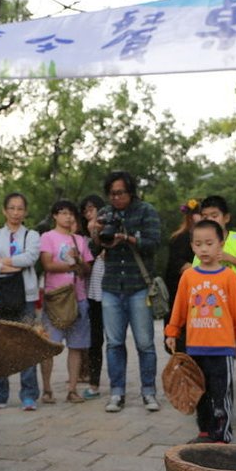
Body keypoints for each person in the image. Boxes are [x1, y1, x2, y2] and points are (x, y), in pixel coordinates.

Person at [165, 219, 236, 443]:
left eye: (209, 243)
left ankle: (222, 435)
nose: (204, 249)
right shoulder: (189, 277)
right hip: (195, 347)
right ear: (192, 246)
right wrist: (172, 332)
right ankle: (204, 432)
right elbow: (180, 308)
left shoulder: (229, 277)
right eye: (198, 244)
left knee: (221, 394)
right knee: (199, 392)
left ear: (221, 244)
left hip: (222, 349)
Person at [91, 171, 161, 413]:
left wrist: (127, 238)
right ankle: (117, 393)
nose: (116, 198)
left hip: (138, 286)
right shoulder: (104, 213)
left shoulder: (146, 211)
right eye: (111, 194)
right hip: (111, 286)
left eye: (120, 193)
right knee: (113, 344)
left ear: (130, 191)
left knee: (145, 343)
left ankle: (149, 392)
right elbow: (93, 250)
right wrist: (95, 232)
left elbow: (153, 244)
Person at [194, 195, 236, 428]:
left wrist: (230, 258)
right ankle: (217, 408)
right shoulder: (203, 242)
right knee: (217, 365)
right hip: (214, 317)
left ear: (226, 218)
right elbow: (196, 277)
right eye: (206, 216)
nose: (211, 219)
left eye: (215, 216)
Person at [0, 192, 41, 409]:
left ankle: (29, 394)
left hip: (25, 296)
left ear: (25, 212)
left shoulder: (32, 235)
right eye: (12, 208)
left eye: (20, 208)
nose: (16, 212)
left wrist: (3, 261)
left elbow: (31, 257)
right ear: (4, 211)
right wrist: (7, 267)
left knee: (27, 343)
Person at [39, 199, 94, 403]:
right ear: (55, 215)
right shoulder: (47, 237)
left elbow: (87, 268)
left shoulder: (80, 240)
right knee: (48, 346)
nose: (68, 217)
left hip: (78, 297)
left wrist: (78, 261)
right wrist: (71, 266)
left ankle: (72, 389)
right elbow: (47, 264)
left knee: (77, 346)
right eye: (63, 212)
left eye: (71, 213)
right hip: (56, 297)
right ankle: (47, 389)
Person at [163, 199, 201, 354]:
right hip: (182, 293)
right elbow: (177, 264)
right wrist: (205, 272)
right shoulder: (180, 237)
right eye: (199, 214)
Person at [78, 194, 106, 399]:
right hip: (94, 293)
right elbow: (88, 260)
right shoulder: (83, 238)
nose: (89, 213)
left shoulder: (114, 230)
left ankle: (119, 385)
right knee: (95, 340)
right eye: (86, 211)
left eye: (92, 208)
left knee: (116, 341)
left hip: (116, 291)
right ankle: (94, 382)